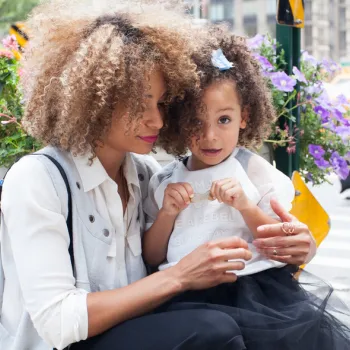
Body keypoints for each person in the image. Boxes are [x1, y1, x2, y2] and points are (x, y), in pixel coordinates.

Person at [0, 1, 317, 349]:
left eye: (162, 104)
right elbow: (59, 323)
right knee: (214, 329)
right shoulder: (37, 179)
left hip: (138, 331)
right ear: (94, 100)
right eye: (141, 104)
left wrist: (298, 246)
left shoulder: (147, 176)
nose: (158, 121)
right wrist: (181, 277)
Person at [144, 29, 350, 349]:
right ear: (179, 123)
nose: (210, 136)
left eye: (223, 120)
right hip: (183, 300)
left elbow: (277, 243)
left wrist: (245, 205)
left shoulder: (255, 172)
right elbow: (153, 255)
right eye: (196, 122)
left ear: (244, 117)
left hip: (255, 296)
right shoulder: (164, 180)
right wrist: (168, 214)